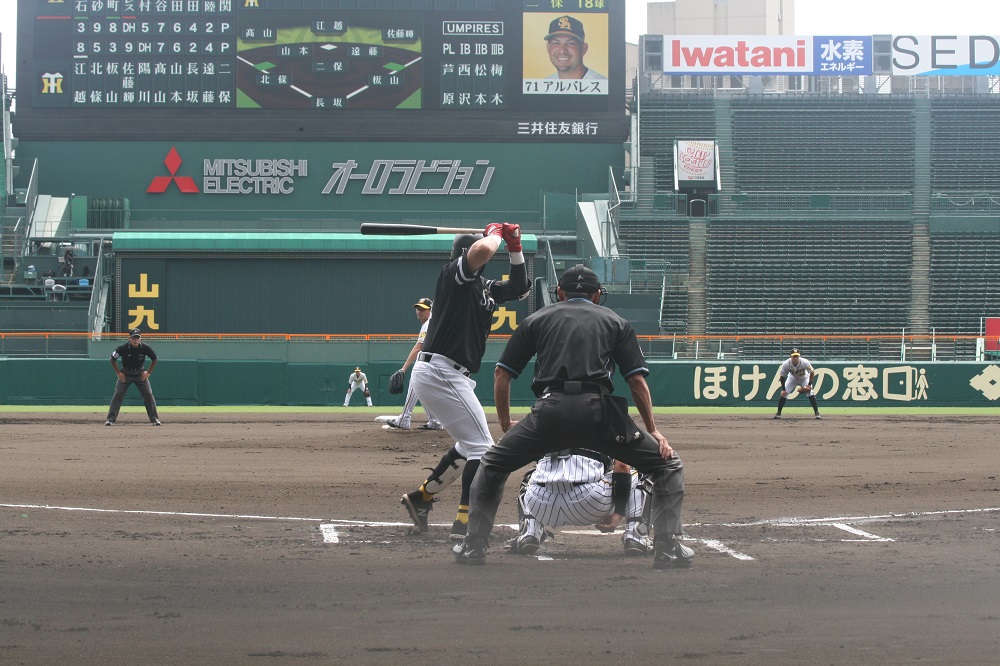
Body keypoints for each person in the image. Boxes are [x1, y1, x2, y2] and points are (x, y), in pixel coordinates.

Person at [454, 264, 693, 569]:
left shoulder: (535, 319)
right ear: (596, 295)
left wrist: (504, 423)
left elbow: (502, 374)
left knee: (493, 464)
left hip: (549, 410)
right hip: (601, 413)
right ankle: (667, 547)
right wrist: (654, 430)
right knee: (667, 465)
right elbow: (636, 382)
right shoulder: (616, 321)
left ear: (560, 293)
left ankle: (474, 546)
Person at [399, 223, 530, 541]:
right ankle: (464, 524)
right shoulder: (452, 277)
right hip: (440, 370)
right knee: (483, 450)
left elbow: (520, 288)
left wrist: (514, 247)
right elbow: (483, 250)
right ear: (465, 254)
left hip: (450, 374)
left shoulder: (483, 287)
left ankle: (422, 498)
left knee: (469, 444)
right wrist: (495, 235)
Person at [505, 452, 652, 557]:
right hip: (590, 504)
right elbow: (622, 466)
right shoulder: (606, 421)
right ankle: (636, 535)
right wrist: (618, 511)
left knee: (531, 477)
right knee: (639, 474)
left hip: (542, 507)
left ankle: (529, 532)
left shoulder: (547, 419)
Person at [386, 298, 443, 431]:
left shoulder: (429, 323)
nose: (419, 311)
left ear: (431, 310)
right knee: (423, 389)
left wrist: (404, 368)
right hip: (437, 362)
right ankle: (434, 421)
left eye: (423, 309)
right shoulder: (433, 323)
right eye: (418, 308)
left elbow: (419, 347)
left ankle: (404, 418)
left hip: (431, 362)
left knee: (415, 381)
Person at [106, 328, 161, 426]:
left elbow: (155, 359)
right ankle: (110, 420)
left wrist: (148, 372)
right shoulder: (122, 348)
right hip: (126, 374)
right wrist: (118, 372)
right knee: (118, 394)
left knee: (148, 394)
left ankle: (154, 419)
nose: (135, 340)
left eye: (137, 338)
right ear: (129, 338)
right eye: (133, 338)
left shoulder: (145, 347)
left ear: (140, 338)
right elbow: (112, 359)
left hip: (140, 373)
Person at [544, 15, 607, 80]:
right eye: (556, 43)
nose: (562, 51)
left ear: (583, 49)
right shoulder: (544, 85)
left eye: (570, 43)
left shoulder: (602, 85)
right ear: (548, 48)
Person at [773, 348, 821, 420]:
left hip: (804, 378)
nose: (795, 358)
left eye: (797, 356)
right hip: (792, 379)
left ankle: (817, 413)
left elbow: (812, 372)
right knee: (784, 394)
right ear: (790, 356)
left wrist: (809, 384)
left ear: (799, 356)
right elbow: (782, 377)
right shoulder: (786, 364)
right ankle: (778, 413)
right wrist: (783, 389)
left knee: (810, 392)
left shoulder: (805, 362)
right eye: (794, 356)